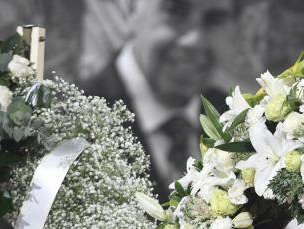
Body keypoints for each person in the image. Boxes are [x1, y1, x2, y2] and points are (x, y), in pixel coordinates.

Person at [83, 0, 232, 198]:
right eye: (174, 11)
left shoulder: (236, 121)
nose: (194, 40)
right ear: (131, 10)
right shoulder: (73, 121)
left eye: (214, 19)